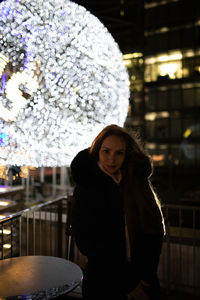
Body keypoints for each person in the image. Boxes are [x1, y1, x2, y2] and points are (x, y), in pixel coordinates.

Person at [70, 124, 165, 300]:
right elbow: (87, 242)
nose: (111, 159)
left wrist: (144, 276)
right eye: (106, 151)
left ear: (126, 154)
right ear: (97, 151)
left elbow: (154, 231)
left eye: (119, 153)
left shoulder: (136, 182)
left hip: (143, 279)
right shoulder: (88, 187)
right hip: (104, 283)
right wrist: (127, 283)